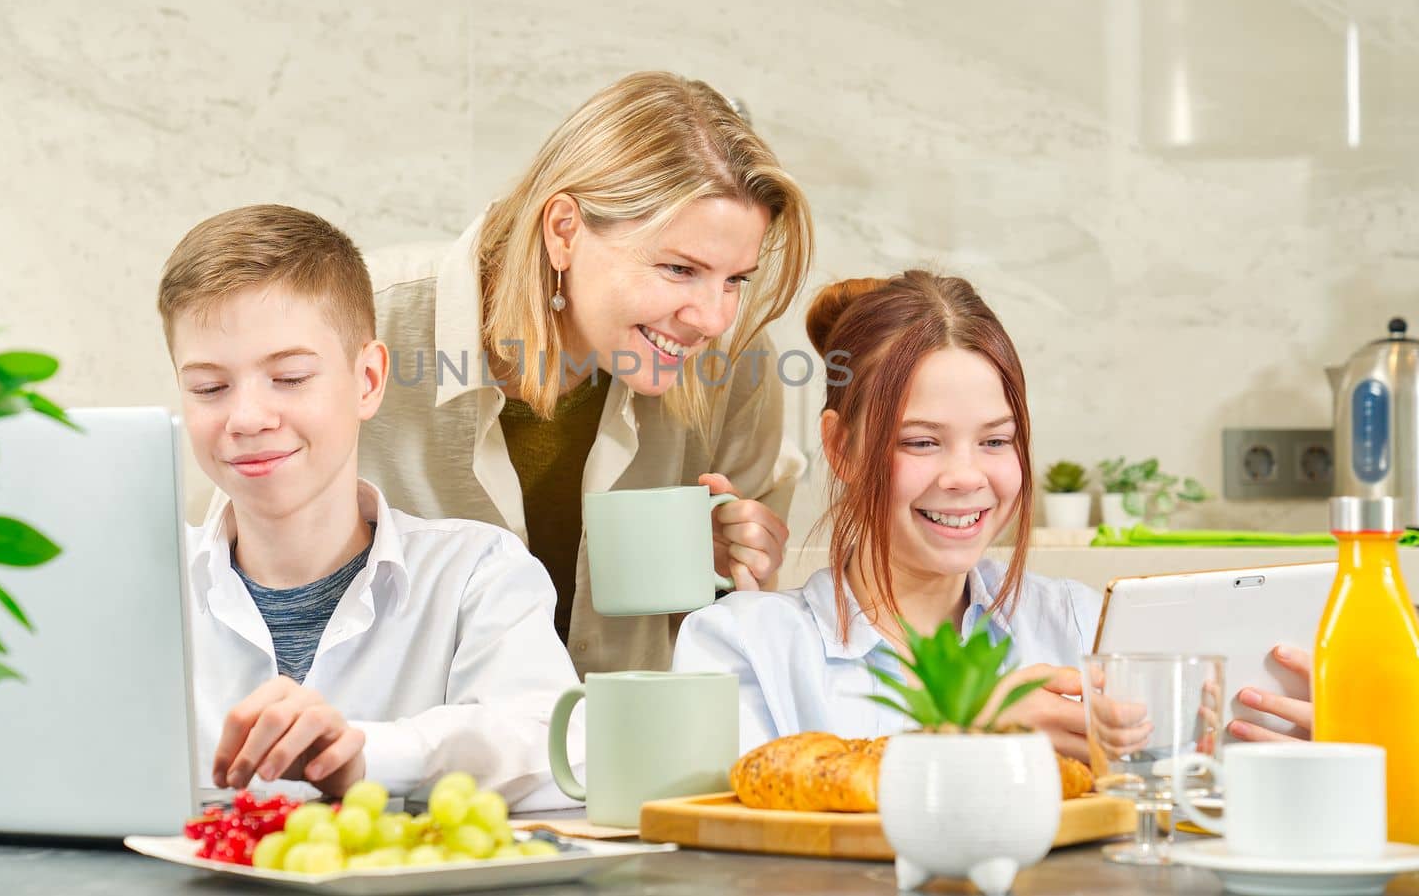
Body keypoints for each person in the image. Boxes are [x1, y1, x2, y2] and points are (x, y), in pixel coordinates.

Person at [673, 271, 1314, 758]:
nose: (967, 478)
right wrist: (965, 739)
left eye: (996, 441)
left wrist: (1299, 735)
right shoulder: (746, 645)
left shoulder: (1085, 628)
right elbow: (733, 842)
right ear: (842, 448)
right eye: (921, 441)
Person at [360, 71, 815, 674]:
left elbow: (732, 652)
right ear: (564, 232)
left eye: (735, 279)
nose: (712, 317)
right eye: (680, 269)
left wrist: (729, 573)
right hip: (400, 756)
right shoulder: (367, 324)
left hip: (627, 758)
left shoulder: (736, 370)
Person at [157, 204, 579, 807]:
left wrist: (368, 753)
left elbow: (559, 746)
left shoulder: (475, 572)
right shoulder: (142, 582)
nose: (247, 419)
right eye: (209, 388)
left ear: (368, 380)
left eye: (291, 377)